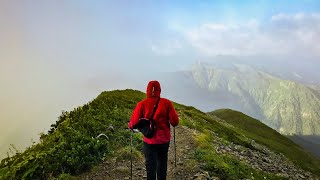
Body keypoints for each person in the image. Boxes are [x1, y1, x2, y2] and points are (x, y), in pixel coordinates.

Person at [128, 80, 179, 180]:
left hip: (149, 141)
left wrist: (130, 125)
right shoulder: (167, 103)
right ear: (159, 90)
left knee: (151, 167)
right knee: (162, 164)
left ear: (147, 90)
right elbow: (175, 122)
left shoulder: (141, 104)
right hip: (164, 141)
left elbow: (133, 124)